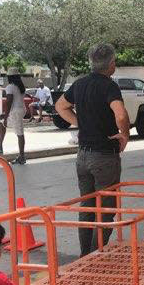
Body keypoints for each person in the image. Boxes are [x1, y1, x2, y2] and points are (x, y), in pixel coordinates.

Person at [55, 44, 130, 257]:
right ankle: (97, 254)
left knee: (87, 207)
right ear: (112, 64)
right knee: (105, 209)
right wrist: (124, 135)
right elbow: (121, 115)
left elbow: (61, 106)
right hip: (104, 155)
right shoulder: (109, 87)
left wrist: (81, 123)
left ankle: (84, 255)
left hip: (83, 156)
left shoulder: (79, 84)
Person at [0, 69, 27, 165]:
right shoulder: (21, 87)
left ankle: (22, 157)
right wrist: (5, 116)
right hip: (21, 110)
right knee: (2, 124)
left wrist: (6, 116)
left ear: (10, 77)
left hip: (15, 111)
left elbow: (9, 102)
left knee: (19, 134)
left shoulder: (10, 87)